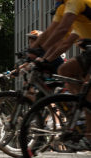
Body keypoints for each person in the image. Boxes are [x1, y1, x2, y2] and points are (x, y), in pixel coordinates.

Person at [33, 0, 91, 150]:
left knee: (87, 89)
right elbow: (52, 31)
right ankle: (82, 110)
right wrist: (35, 53)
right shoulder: (63, 8)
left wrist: (40, 52)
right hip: (89, 53)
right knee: (64, 71)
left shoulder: (75, 2)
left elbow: (62, 32)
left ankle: (89, 133)